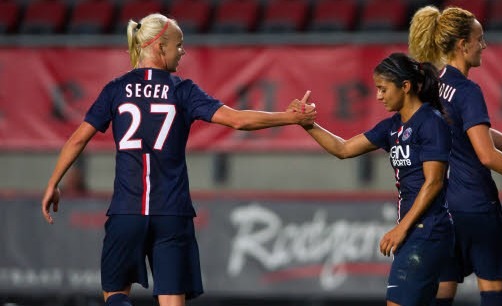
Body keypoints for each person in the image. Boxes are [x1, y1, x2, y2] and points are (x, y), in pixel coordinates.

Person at [40, 13, 316, 306]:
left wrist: (53, 183)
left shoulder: (116, 89)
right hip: (171, 213)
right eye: (179, 44)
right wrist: (290, 117)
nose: (183, 51)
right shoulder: (181, 90)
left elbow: (78, 139)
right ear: (160, 47)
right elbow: (238, 121)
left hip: (126, 212)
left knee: (116, 295)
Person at [407, 5, 502, 306]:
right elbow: (487, 155)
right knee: (493, 297)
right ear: (462, 44)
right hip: (477, 208)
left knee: (441, 295)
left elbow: (475, 134)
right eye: (479, 39)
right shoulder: (467, 91)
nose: (484, 45)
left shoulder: (433, 86)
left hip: (440, 209)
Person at [293, 52, 459, 306]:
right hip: (417, 232)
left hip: (427, 230)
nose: (379, 96)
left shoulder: (430, 122)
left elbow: (434, 182)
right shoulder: (393, 126)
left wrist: (401, 229)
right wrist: (307, 125)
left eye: (383, 89)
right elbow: (343, 149)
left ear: (405, 87)